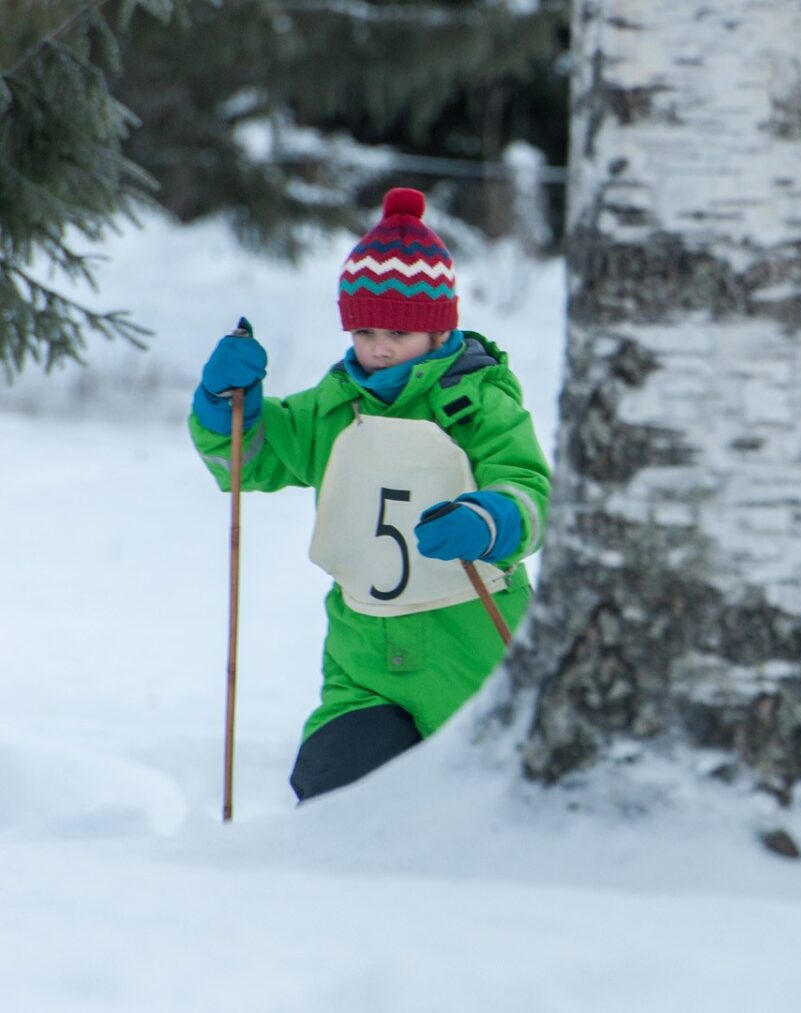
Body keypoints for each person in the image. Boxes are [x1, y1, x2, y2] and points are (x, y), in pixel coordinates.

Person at [188, 187, 552, 802]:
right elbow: (253, 462)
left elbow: (531, 487)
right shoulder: (333, 409)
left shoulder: (478, 405)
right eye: (363, 330)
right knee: (330, 787)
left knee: (477, 802)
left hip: (473, 650)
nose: (379, 347)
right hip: (366, 661)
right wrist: (229, 406)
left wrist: (493, 519)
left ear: (438, 331)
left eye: (399, 332)